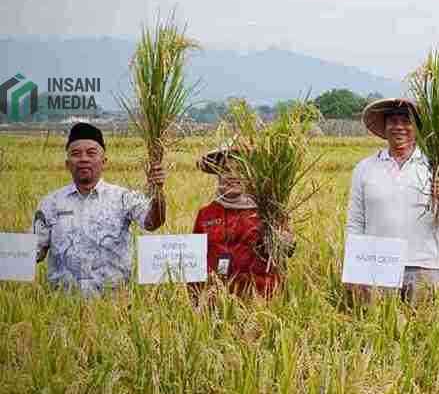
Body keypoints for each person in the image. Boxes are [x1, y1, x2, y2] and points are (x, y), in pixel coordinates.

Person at [32, 121, 166, 297]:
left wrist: (158, 192)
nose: (84, 159)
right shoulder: (50, 203)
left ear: (104, 162)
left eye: (91, 153)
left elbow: (152, 222)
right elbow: (33, 252)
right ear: (67, 163)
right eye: (76, 154)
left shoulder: (123, 198)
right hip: (61, 309)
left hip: (115, 309)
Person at [345, 98, 439, 303]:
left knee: (425, 333)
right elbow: (355, 223)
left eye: (406, 121)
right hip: (378, 266)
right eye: (393, 121)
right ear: (385, 127)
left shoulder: (436, 167)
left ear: (416, 128)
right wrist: (354, 271)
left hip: (424, 267)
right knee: (379, 332)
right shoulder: (365, 169)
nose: (399, 127)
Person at [192, 146, 284, 296]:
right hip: (216, 304)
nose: (233, 176)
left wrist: (285, 241)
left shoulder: (267, 213)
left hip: (260, 303)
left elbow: (287, 248)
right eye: (227, 170)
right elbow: (194, 266)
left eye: (240, 170)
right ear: (218, 174)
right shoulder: (206, 215)